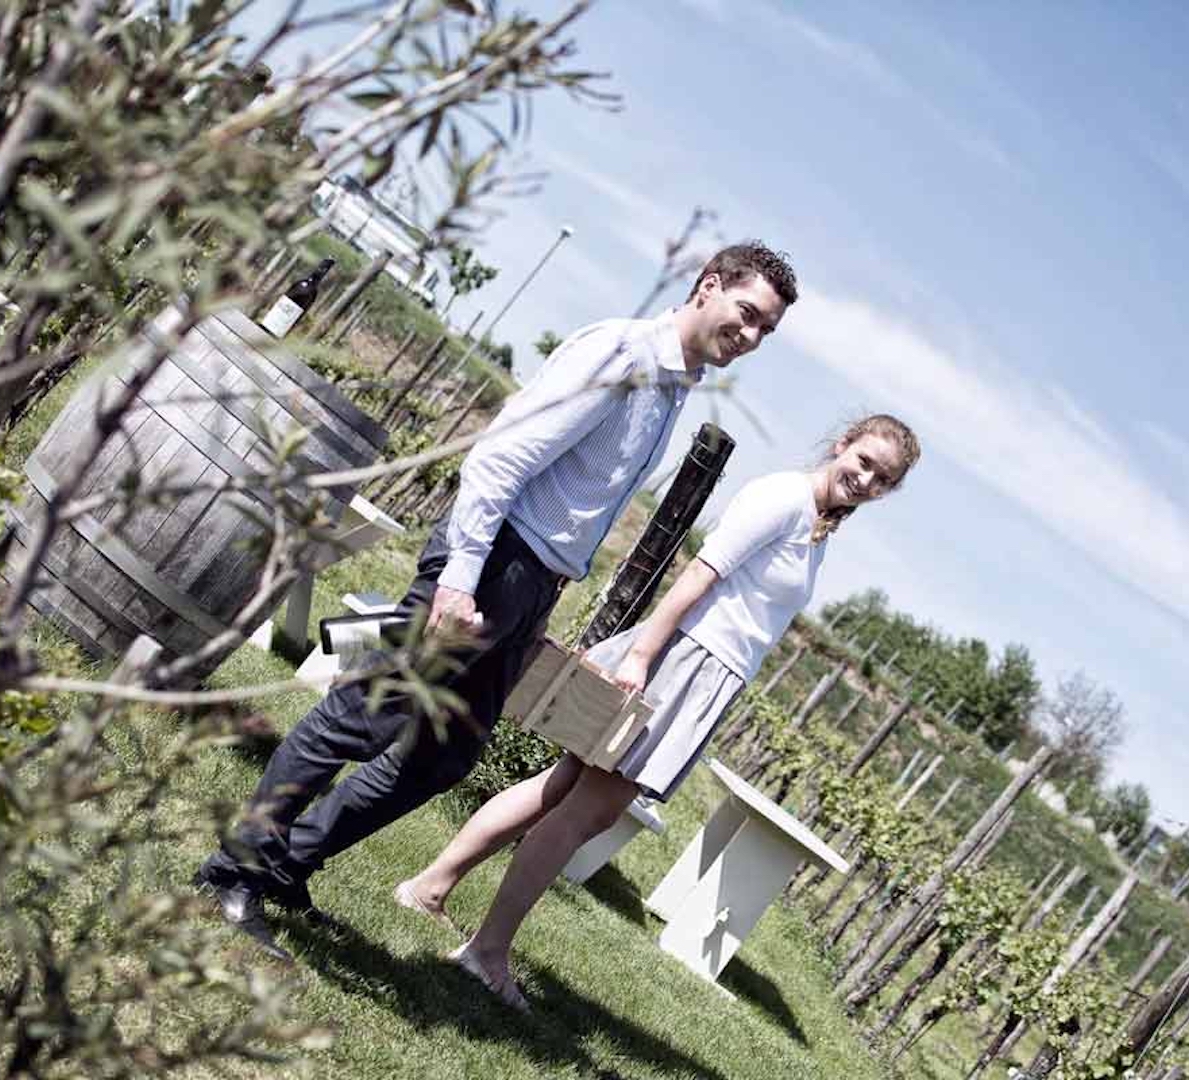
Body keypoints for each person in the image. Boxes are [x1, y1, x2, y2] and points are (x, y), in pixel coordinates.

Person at [195, 242, 799, 961]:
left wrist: (536, 603)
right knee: (362, 717)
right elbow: (500, 455)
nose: (752, 335)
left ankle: (290, 861)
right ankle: (232, 870)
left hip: (528, 584)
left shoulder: (672, 387)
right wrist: (461, 577)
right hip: (489, 563)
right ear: (708, 286)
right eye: (747, 312)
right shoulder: (621, 354)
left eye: (766, 329)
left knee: (443, 756)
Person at [398, 414, 921, 1010]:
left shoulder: (816, 522)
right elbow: (700, 573)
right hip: (686, 662)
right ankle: (486, 952)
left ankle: (430, 888)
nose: (866, 480)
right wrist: (642, 657)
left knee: (561, 789)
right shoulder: (783, 498)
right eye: (864, 462)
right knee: (587, 812)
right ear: (843, 444)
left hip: (705, 672)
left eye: (882, 479)